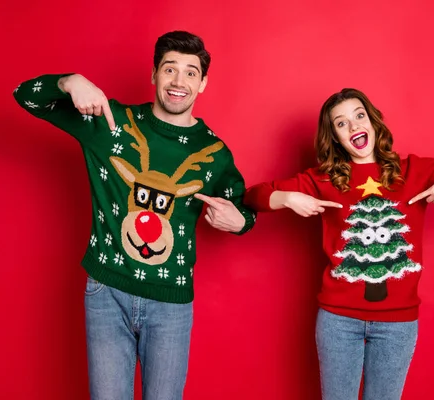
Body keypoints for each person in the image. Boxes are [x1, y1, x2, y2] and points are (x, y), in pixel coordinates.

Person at [13, 31, 256, 400]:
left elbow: (240, 206)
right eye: (169, 69)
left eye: (191, 73)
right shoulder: (111, 122)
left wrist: (241, 223)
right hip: (106, 293)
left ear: (203, 83)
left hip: (171, 303)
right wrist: (70, 82)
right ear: (154, 74)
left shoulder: (214, 152)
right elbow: (25, 96)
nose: (179, 81)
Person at [243, 88, 434, 400]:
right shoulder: (323, 180)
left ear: (372, 121)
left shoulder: (414, 171)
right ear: (335, 138)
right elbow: (252, 196)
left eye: (359, 116)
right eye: (341, 124)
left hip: (397, 325)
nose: (353, 126)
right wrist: (286, 198)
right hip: (338, 322)